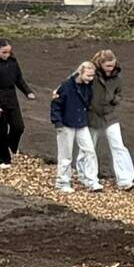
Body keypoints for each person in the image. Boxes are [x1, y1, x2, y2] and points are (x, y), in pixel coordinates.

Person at [88, 47, 134, 191]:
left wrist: (115, 99)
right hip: (92, 115)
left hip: (110, 115)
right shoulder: (91, 74)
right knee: (89, 148)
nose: (110, 68)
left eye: (112, 65)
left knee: (118, 145)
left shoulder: (117, 77)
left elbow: (120, 92)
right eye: (107, 66)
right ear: (100, 63)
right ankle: (89, 178)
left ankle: (125, 179)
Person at [48, 61, 98, 193]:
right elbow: (56, 104)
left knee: (90, 151)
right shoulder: (66, 86)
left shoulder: (88, 86)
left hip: (81, 122)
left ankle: (91, 180)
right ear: (80, 73)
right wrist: (57, 122)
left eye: (92, 76)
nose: (90, 79)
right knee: (65, 155)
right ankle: (62, 181)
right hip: (66, 124)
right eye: (88, 75)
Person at [0, 41, 30, 168]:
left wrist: (27, 91)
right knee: (1, 130)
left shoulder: (12, 61)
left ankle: (10, 146)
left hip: (11, 98)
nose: (7, 55)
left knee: (18, 126)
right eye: (4, 52)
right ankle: (2, 159)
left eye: (8, 52)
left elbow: (18, 79)